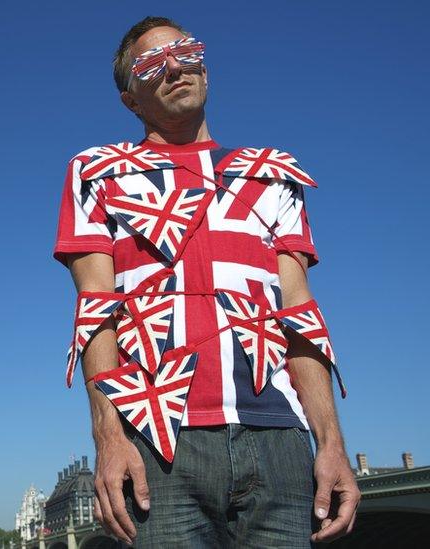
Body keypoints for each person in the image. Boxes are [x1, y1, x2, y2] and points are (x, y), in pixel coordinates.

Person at [53, 16, 360, 547]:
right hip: (159, 444)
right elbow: (95, 308)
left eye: (186, 52)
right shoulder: (96, 172)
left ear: (205, 66)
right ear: (131, 100)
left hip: (280, 443)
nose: (174, 68)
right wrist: (108, 437)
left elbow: (299, 311)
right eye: (151, 65)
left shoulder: (272, 173)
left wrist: (330, 441)